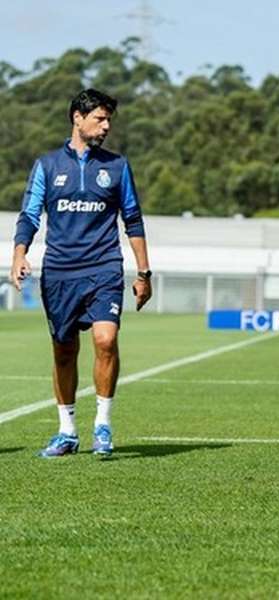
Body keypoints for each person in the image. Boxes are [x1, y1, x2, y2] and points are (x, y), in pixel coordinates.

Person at [10, 88, 152, 458]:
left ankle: (102, 424)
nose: (106, 126)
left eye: (108, 120)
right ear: (77, 118)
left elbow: (133, 220)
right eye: (99, 119)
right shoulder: (47, 166)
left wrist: (144, 272)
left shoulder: (118, 166)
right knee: (63, 350)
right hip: (59, 272)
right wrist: (19, 254)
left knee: (106, 340)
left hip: (104, 267)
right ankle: (67, 430)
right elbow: (29, 215)